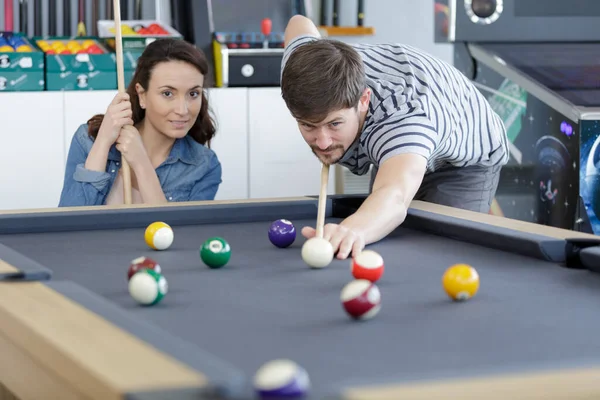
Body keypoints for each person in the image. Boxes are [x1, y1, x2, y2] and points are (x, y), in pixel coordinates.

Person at [280, 15, 509, 260]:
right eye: (308, 126)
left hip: (464, 158)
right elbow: (298, 22)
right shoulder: (301, 66)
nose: (322, 142)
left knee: (441, 256)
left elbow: (394, 195)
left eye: (334, 124)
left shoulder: (401, 119)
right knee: (380, 236)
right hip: (412, 128)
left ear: (363, 101)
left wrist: (352, 229)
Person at [58, 38, 222, 207]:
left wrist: (141, 163)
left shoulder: (204, 165)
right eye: (167, 93)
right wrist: (103, 142)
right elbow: (67, 223)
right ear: (142, 95)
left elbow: (173, 232)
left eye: (193, 94)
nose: (183, 110)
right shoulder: (88, 139)